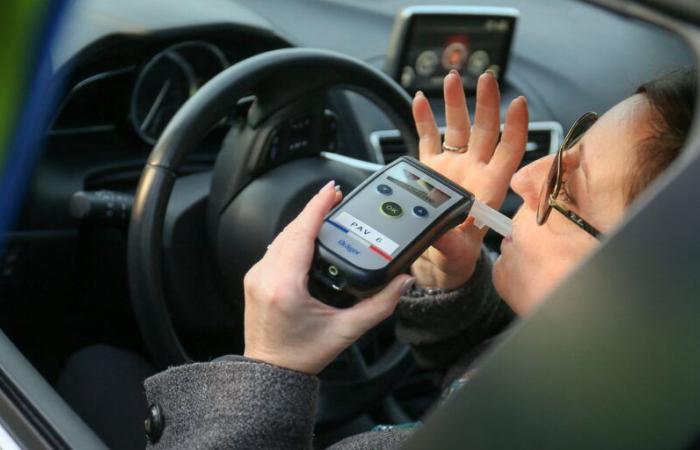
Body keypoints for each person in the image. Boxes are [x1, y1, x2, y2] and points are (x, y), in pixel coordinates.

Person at [60, 67, 695, 449]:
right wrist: (455, 284)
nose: (526, 176)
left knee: (92, 368)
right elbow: (485, 376)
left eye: (568, 188)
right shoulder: (619, 385)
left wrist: (269, 365)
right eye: (567, 145)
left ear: (652, 289)